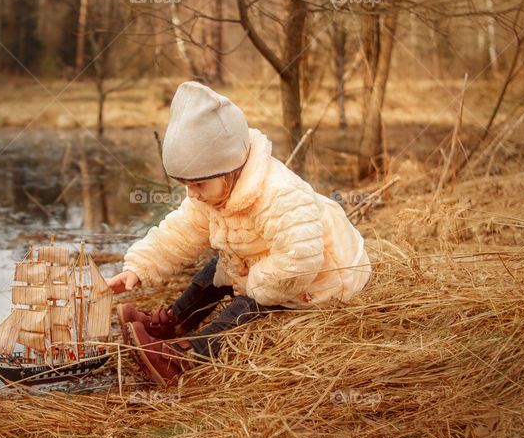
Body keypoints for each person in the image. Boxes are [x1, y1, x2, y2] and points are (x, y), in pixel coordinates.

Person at [107, 81, 371, 387]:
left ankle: (186, 355)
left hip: (324, 274)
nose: (192, 195)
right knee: (214, 272)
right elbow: (180, 232)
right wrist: (138, 268)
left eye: (199, 185)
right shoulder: (212, 191)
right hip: (271, 260)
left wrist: (247, 283)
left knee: (251, 302)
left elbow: (298, 261)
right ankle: (172, 323)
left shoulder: (280, 195)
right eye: (186, 185)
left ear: (230, 170)